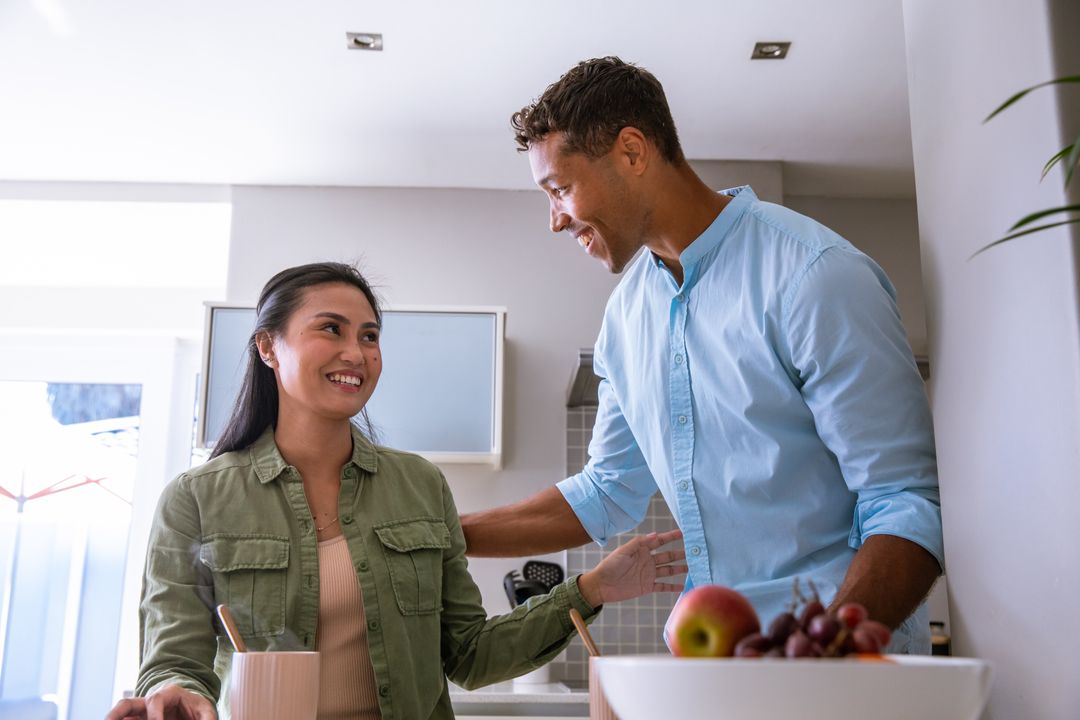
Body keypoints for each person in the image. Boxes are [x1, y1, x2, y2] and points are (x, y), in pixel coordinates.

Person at [461, 56, 944, 652]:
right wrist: (446, 536)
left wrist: (823, 655)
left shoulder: (813, 275)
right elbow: (608, 489)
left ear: (632, 153)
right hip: (711, 661)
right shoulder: (624, 319)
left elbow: (905, 502)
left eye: (560, 188)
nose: (555, 220)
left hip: (842, 669)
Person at [106, 261, 685, 720]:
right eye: (330, 329)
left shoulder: (419, 485)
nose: (356, 353)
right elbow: (173, 661)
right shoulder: (195, 499)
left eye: (370, 335)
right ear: (267, 347)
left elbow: (470, 655)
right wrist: (176, 693)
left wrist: (590, 587)